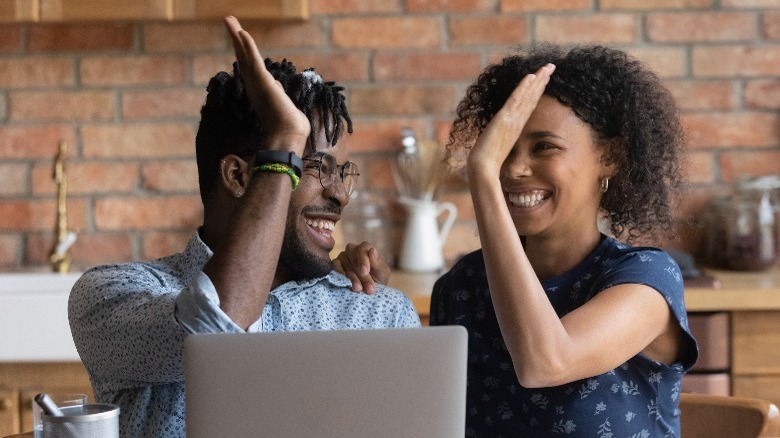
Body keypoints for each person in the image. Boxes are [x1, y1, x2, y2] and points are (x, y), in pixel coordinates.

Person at [68, 16, 420, 438]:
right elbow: (217, 325)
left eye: (341, 171)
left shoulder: (379, 312)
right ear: (238, 177)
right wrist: (286, 137)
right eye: (315, 167)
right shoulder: (114, 295)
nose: (341, 195)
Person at [425, 44, 700, 437]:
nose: (515, 169)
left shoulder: (646, 281)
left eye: (544, 147)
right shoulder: (462, 286)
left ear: (611, 156)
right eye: (504, 150)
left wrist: (483, 172)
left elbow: (546, 363)